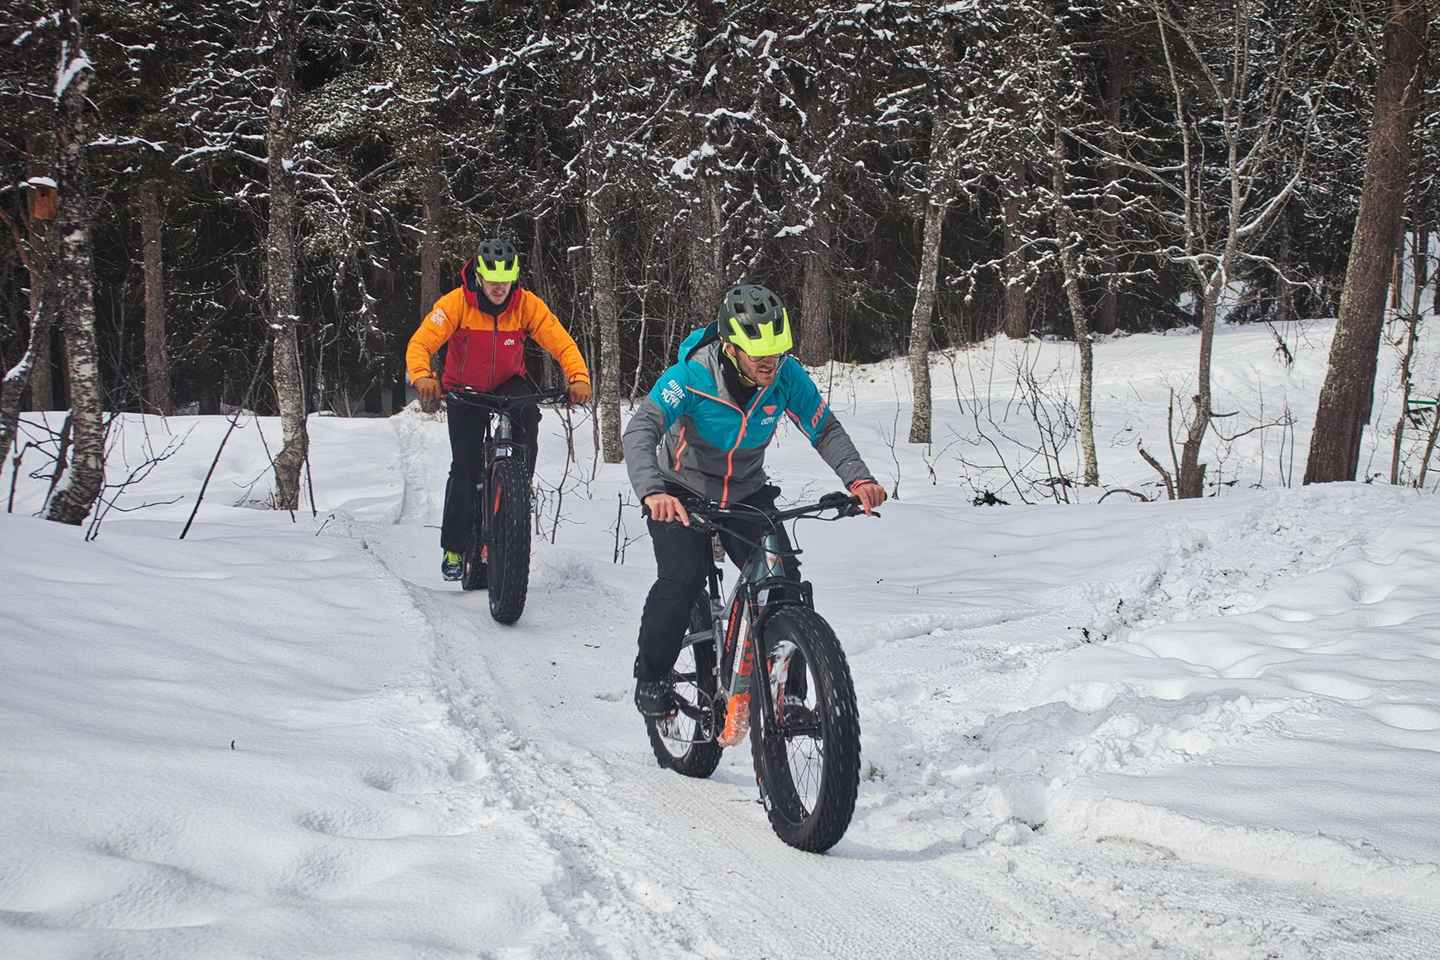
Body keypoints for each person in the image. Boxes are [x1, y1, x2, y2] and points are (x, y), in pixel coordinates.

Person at [622, 283, 886, 717]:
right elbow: (641, 430)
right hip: (681, 493)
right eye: (757, 352)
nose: (769, 362)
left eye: (777, 351)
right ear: (729, 346)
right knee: (681, 580)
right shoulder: (690, 377)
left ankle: (791, 697)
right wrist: (653, 491)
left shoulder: (786, 376)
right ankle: (651, 676)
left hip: (745, 492)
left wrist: (859, 479)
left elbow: (824, 429)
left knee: (783, 584)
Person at [406, 238, 592, 581]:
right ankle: (454, 547)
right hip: (464, 387)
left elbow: (561, 341)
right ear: (478, 276)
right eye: (492, 281)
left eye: (504, 282)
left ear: (514, 278)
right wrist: (423, 377)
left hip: (508, 383)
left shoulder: (526, 305)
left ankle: (519, 487)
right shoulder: (457, 303)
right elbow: (421, 342)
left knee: (529, 414)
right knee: (465, 468)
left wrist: (578, 378)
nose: (498, 289)